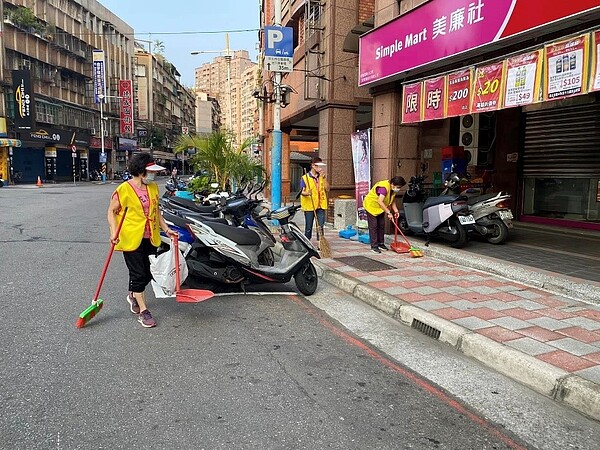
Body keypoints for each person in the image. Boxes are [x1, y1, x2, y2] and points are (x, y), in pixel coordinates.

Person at [107, 152, 178, 328]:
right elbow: (111, 212)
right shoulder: (124, 189)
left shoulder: (153, 187)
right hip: (130, 237)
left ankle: (133, 294)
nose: (153, 175)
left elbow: (156, 212)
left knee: (148, 272)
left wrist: (167, 230)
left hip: (150, 237)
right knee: (138, 273)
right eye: (150, 172)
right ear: (140, 171)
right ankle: (144, 311)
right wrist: (114, 232)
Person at [363, 176, 406, 253]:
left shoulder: (393, 189)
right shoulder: (383, 188)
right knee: (374, 226)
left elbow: (392, 200)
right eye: (398, 187)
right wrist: (388, 212)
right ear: (392, 184)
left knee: (381, 225)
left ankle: (381, 243)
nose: (398, 189)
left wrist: (396, 211)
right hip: (371, 206)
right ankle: (374, 246)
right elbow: (380, 201)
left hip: (380, 208)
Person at [300, 157, 329, 241]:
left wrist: (324, 178)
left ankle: (321, 243)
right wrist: (307, 193)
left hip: (320, 206)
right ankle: (307, 242)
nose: (320, 168)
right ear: (313, 166)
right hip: (309, 206)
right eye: (318, 166)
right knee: (308, 227)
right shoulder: (305, 178)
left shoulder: (321, 177)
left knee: (320, 226)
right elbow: (302, 191)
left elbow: (327, 189)